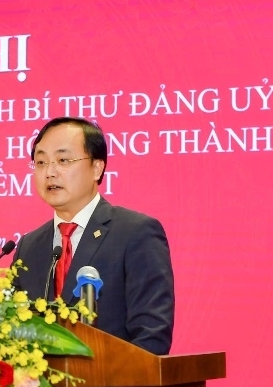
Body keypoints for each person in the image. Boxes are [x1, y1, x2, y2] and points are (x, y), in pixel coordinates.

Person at [12, 117, 174, 355]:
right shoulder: (29, 246)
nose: (49, 172)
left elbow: (152, 338)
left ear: (97, 168)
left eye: (63, 160)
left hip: (115, 378)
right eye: (41, 162)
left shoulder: (135, 233)